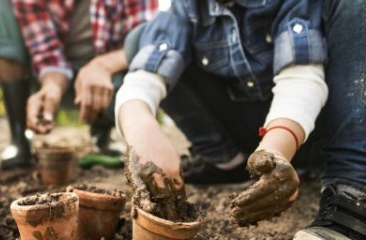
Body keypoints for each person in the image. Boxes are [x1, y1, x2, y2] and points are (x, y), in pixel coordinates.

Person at [117, 0, 366, 238]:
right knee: (140, 39)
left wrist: (275, 149)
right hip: (251, 142)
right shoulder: (186, 8)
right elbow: (144, 79)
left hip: (311, 131)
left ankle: (351, 192)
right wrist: (141, 128)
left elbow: (301, 79)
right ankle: (227, 162)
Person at [0, 0, 160, 169]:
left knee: (149, 64)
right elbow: (46, 54)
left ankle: (102, 132)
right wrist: (52, 86)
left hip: (111, 80)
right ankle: (19, 137)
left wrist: (102, 67)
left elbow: (148, 41)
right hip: (47, 77)